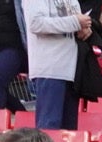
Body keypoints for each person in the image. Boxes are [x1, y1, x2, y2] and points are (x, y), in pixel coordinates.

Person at [24, 0, 90, 131]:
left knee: (69, 133)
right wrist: (75, 22)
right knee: (49, 128)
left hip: (72, 70)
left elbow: (77, 22)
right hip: (50, 69)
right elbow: (36, 23)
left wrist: (84, 28)